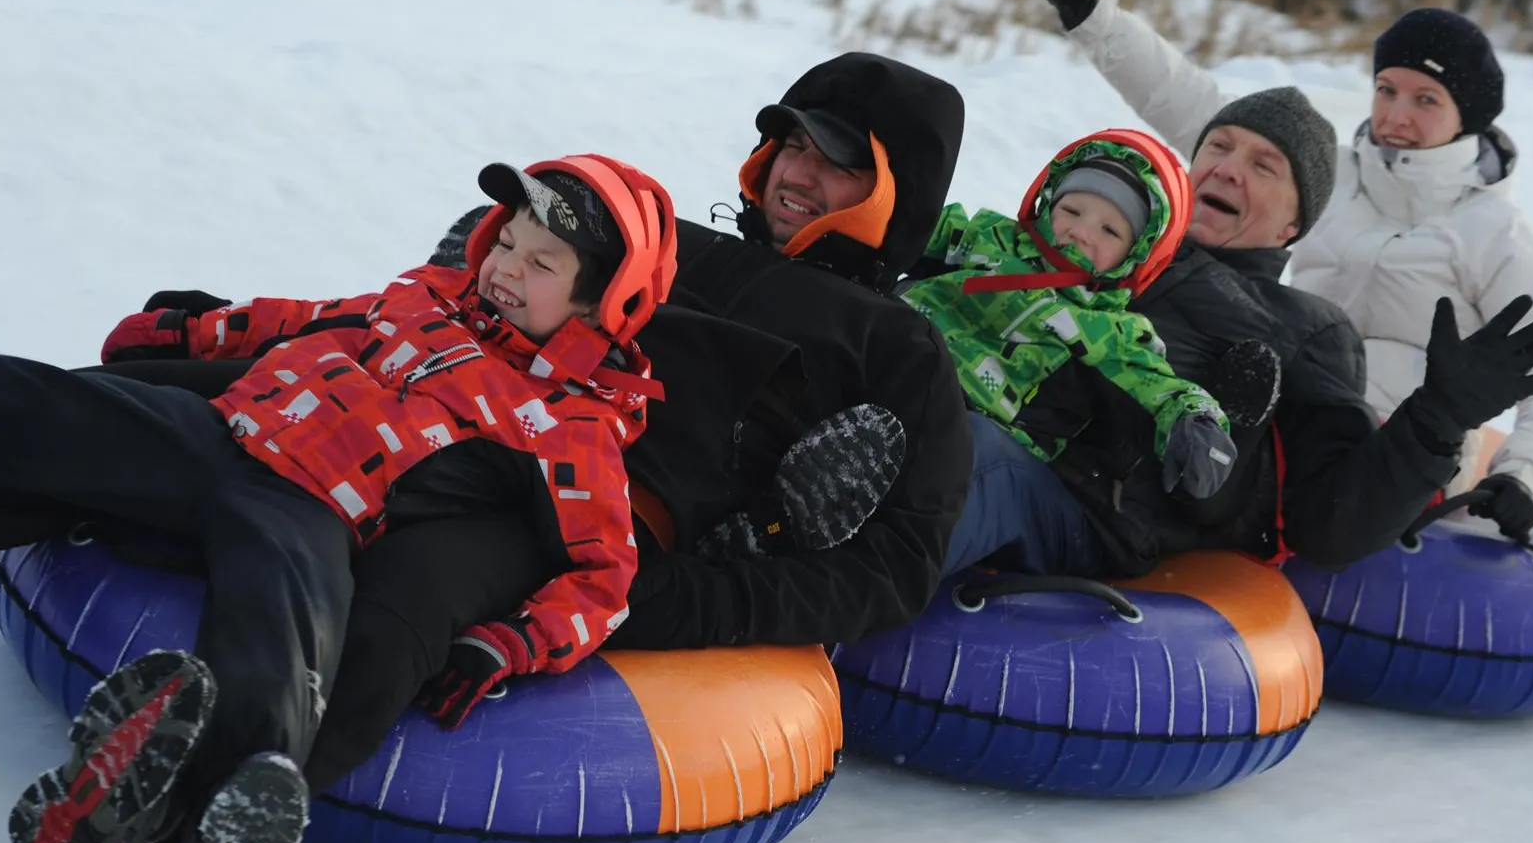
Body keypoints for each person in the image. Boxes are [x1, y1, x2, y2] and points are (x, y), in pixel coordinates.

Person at [0, 152, 678, 843]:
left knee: (282, 643)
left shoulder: (570, 423)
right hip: (219, 434)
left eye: (543, 263)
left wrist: (511, 644)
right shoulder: (423, 296)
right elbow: (299, 320)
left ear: (607, 304)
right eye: (510, 243)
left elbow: (604, 575)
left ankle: (191, 807)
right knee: (28, 404)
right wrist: (188, 326)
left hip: (310, 514)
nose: (506, 270)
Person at [95, 52, 972, 790]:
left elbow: (895, 571)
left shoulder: (898, 349)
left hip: (606, 519)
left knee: (402, 590)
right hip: (455, 413)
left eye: (837, 162)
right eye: (791, 142)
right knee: (161, 404)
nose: (796, 172)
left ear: (897, 195)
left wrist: (664, 598)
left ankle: (226, 776)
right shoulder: (670, 242)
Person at [969, 0, 1533, 578]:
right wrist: (1083, 8)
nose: (1398, 115)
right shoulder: (1327, 173)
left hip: (1387, 445)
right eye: (1387, 91)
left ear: (1469, 119)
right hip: (1265, 400)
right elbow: (1184, 97)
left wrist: (1524, 473)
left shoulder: (1493, 233)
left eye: (1426, 100)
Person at [901, 128, 1284, 577]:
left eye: (1109, 229)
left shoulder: (1111, 330)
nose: (1081, 232)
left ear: (1135, 254)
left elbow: (1160, 385)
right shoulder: (989, 239)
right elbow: (913, 223)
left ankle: (867, 571)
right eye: (1071, 209)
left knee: (968, 450)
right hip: (894, 364)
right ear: (1047, 202)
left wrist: (1195, 420)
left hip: (966, 424)